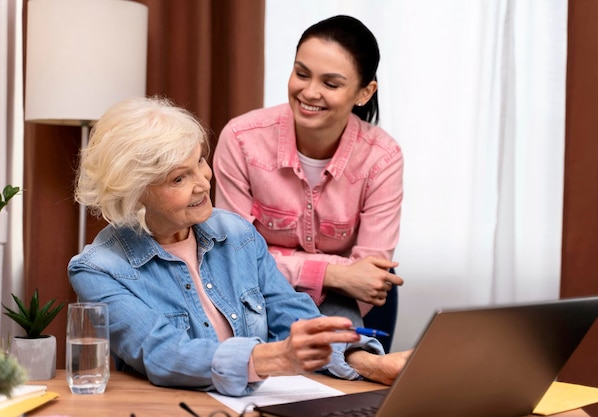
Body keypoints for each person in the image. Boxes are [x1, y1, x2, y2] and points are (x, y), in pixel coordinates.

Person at [67, 96, 409, 397]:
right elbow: (164, 353)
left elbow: (293, 316)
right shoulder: (98, 270)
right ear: (135, 191)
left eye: (200, 161)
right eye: (179, 178)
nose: (203, 182)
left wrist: (370, 363)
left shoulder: (238, 234)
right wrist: (276, 357)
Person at [213, 15, 404, 334]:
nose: (309, 92)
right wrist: (333, 274)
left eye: (330, 83)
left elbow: (371, 273)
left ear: (364, 92)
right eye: (301, 74)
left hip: (347, 303)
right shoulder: (242, 139)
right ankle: (360, 360)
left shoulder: (382, 157)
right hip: (256, 298)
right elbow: (233, 259)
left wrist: (278, 261)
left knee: (347, 335)